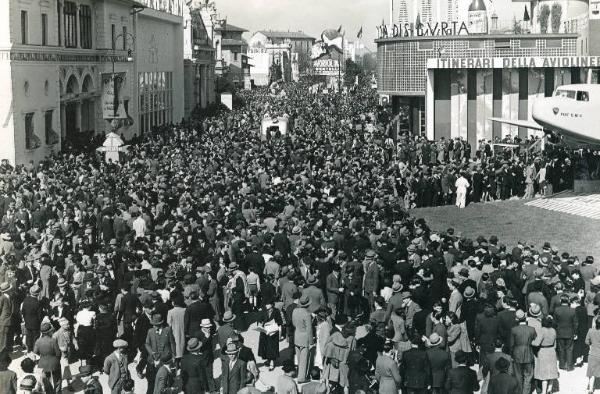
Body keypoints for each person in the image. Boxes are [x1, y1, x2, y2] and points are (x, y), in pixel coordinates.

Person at [510, 310, 537, 394]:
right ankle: (526, 392)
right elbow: (535, 340)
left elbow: (511, 344)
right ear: (525, 318)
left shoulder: (514, 330)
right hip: (529, 353)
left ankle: (519, 391)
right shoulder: (532, 329)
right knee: (528, 376)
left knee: (518, 375)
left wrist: (512, 354)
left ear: (517, 319)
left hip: (517, 354)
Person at [532, 316, 558, 394]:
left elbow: (536, 343)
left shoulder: (542, 330)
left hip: (543, 351)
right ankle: (549, 389)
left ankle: (543, 391)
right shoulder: (553, 330)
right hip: (552, 351)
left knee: (544, 373)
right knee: (552, 371)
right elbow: (555, 344)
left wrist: (531, 342)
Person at [33, 322, 62, 390]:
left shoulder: (38, 341)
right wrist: (57, 359)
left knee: (46, 381)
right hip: (54, 362)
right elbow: (58, 353)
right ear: (49, 332)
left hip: (43, 363)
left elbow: (35, 353)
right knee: (57, 379)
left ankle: (49, 392)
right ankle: (57, 392)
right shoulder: (53, 340)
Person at [553, 293, 578, 371]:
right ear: (569, 301)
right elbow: (576, 323)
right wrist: (575, 332)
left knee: (561, 349)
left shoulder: (556, 310)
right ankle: (569, 366)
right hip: (570, 332)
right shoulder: (573, 311)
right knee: (569, 349)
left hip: (559, 332)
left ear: (561, 301)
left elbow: (554, 322)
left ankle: (562, 365)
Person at [292, 295, 313, 384]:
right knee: (304, 359)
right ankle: (301, 378)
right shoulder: (307, 314)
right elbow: (309, 329)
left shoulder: (295, 311)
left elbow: (293, 323)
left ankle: (299, 373)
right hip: (304, 337)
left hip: (296, 335)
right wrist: (311, 340)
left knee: (299, 357)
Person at [257, 302, 282, 370]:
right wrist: (260, 325)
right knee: (266, 347)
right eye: (266, 306)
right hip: (265, 332)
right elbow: (260, 320)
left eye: (269, 306)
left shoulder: (276, 311)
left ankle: (272, 362)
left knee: (272, 347)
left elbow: (280, 322)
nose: (267, 308)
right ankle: (268, 359)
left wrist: (273, 323)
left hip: (273, 332)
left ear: (272, 306)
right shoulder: (264, 311)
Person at [586, 318, 600, 393]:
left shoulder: (590, 331)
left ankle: (591, 389)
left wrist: (591, 345)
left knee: (591, 372)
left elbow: (586, 341)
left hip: (593, 353)